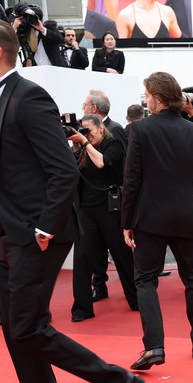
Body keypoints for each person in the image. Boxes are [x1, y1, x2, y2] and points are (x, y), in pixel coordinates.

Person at [0, 17, 143, 383]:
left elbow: (63, 170)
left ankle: (115, 381)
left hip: (35, 232)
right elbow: (17, 168)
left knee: (26, 327)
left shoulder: (29, 97)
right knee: (13, 326)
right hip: (9, 229)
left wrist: (43, 226)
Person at [121, 71, 193, 370]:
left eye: (148, 95)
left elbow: (131, 180)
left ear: (159, 98)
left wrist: (127, 221)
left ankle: (154, 348)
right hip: (187, 218)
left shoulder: (140, 130)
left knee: (145, 280)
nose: (146, 100)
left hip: (150, 219)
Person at [67, 114, 137, 322]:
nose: (85, 134)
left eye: (88, 130)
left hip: (111, 209)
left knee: (122, 257)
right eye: (82, 130)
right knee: (82, 259)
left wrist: (85, 142)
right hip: (86, 211)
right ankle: (82, 308)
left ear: (99, 128)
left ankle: (136, 299)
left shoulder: (113, 143)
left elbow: (102, 163)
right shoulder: (79, 150)